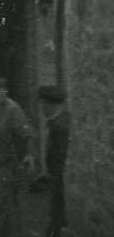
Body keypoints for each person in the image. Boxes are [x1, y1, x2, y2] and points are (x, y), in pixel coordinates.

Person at [0, 76, 36, 236]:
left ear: (4, 91)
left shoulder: (12, 110)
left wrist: (30, 155)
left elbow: (29, 134)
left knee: (5, 207)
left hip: (8, 166)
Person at [37, 85, 69, 237]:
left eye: (42, 104)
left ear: (48, 104)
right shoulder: (56, 121)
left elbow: (62, 155)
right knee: (54, 212)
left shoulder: (60, 126)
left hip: (58, 176)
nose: (40, 108)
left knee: (56, 212)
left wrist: (53, 175)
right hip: (54, 175)